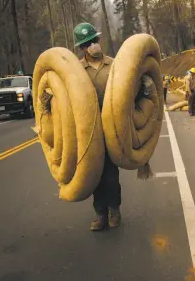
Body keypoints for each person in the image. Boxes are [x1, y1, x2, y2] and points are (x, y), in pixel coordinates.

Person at [73, 22, 121, 231]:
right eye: (87, 44)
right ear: (82, 48)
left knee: (111, 174)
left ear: (99, 41)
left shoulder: (114, 65)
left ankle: (114, 210)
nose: (92, 46)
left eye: (94, 41)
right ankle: (100, 213)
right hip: (90, 130)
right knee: (95, 175)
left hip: (111, 125)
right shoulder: (75, 70)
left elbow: (126, 89)